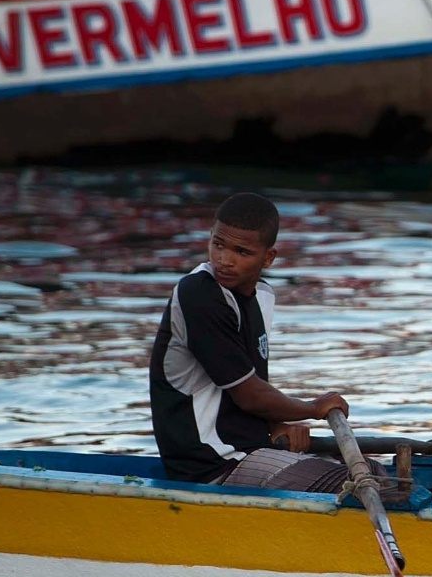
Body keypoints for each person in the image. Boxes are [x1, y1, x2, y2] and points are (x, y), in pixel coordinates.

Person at [150, 193, 351, 491]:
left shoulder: (263, 296)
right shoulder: (199, 295)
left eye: (242, 252)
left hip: (252, 452)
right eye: (218, 244)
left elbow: (252, 380)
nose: (224, 260)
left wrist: (277, 423)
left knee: (374, 471)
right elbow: (250, 395)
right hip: (211, 465)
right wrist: (314, 408)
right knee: (350, 482)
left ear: (268, 258)